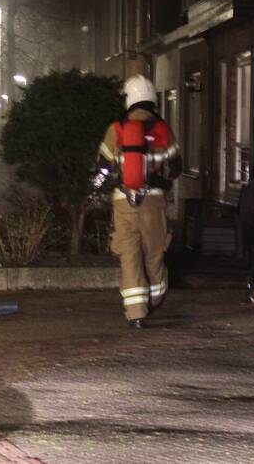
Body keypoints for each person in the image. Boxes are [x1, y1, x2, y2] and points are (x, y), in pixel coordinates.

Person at [98, 74, 181, 329]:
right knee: (154, 252)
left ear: (129, 100)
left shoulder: (117, 129)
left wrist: (104, 184)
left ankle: (136, 313)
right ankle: (155, 297)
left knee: (129, 255)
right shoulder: (163, 129)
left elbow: (102, 165)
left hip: (123, 202)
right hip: (153, 203)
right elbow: (176, 166)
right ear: (152, 100)